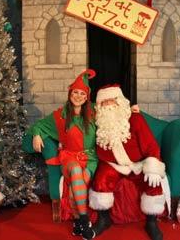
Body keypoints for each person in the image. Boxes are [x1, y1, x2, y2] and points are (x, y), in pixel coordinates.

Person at [89, 84, 170, 240]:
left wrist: (153, 166)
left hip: (138, 163)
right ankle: (104, 219)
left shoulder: (135, 118)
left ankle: (151, 222)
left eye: (112, 100)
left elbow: (150, 144)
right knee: (101, 181)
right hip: (112, 164)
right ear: (98, 106)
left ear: (120, 102)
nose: (108, 105)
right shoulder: (97, 122)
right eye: (103, 102)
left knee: (153, 182)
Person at [25, 69, 98, 240]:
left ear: (87, 97)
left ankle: (79, 222)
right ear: (70, 93)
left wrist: (131, 109)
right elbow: (39, 125)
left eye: (82, 93)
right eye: (75, 92)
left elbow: (115, 111)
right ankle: (85, 220)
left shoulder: (95, 112)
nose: (78, 96)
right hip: (69, 157)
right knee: (75, 171)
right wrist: (36, 134)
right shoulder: (60, 116)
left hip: (90, 159)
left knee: (74, 193)